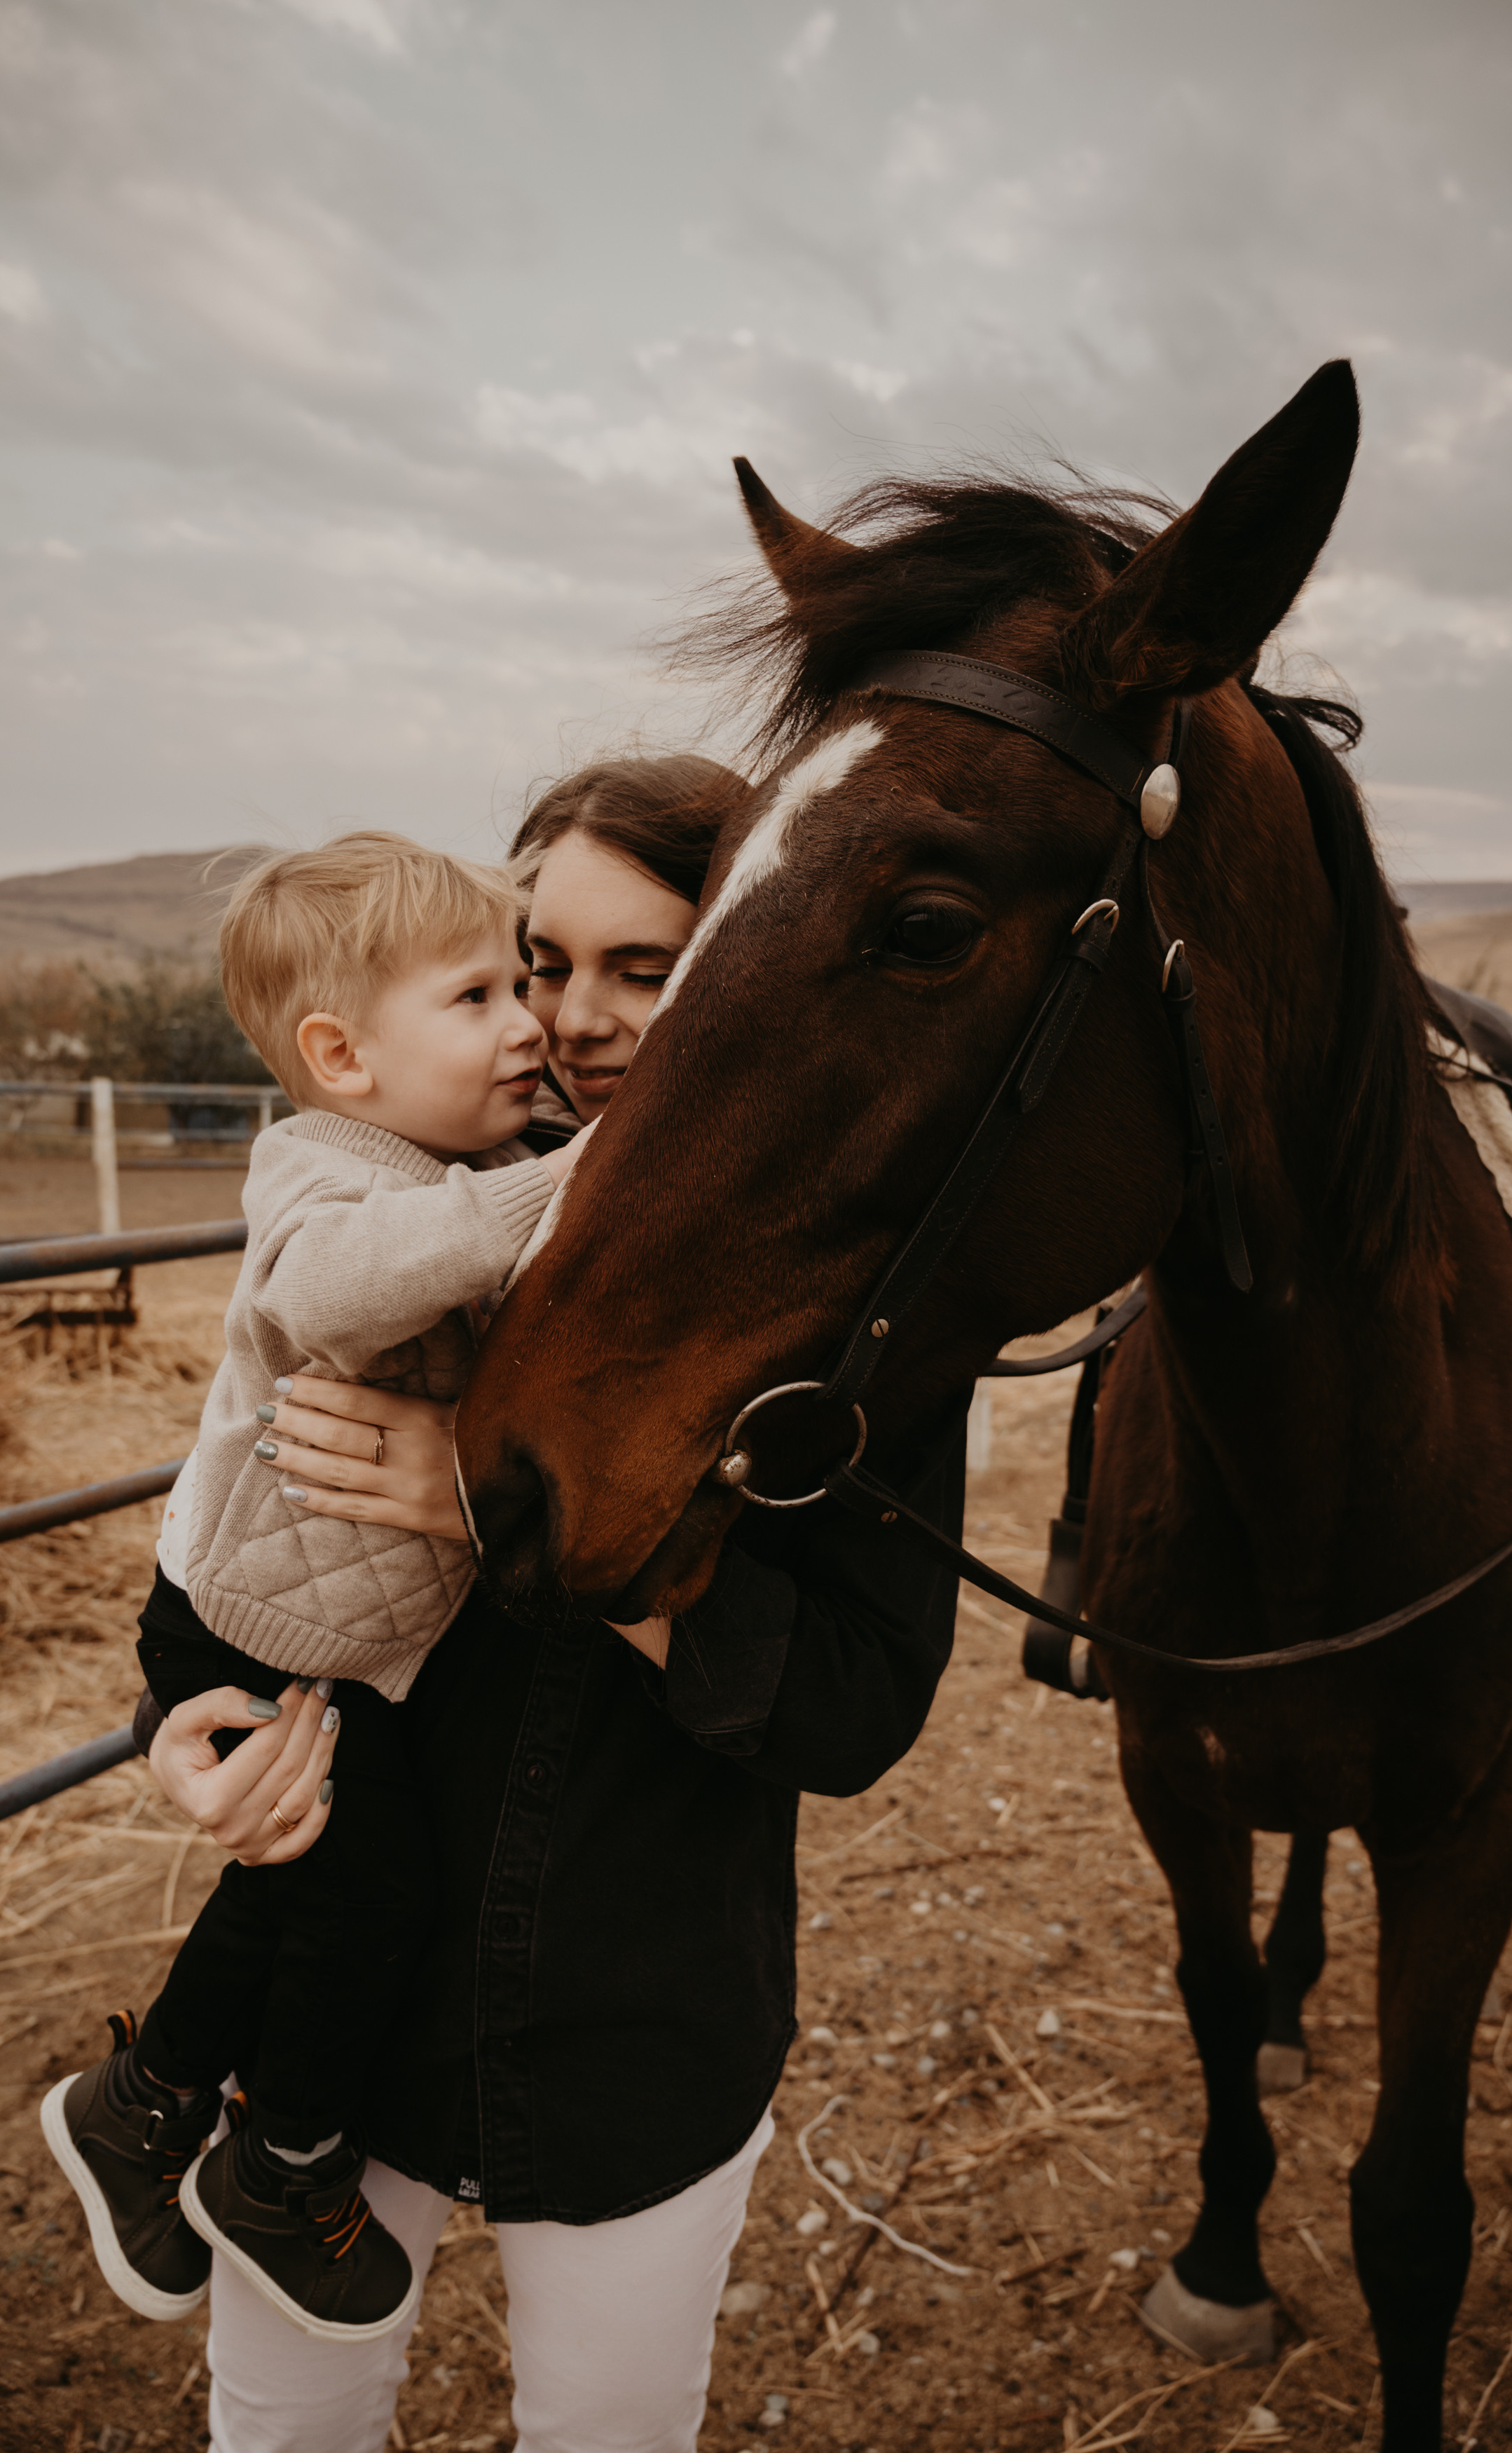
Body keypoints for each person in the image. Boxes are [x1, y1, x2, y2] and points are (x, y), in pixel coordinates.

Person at [130, 758, 973, 2453]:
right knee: (279, 2430)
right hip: (334, 2025)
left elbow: (851, 1706)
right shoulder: (396, 1201)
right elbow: (238, 1532)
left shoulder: (872, 1298)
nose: (567, 1019)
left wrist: (502, 1507)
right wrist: (181, 1742)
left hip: (634, 2027)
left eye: (640, 967)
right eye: (535, 961)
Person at [43, 833, 585, 2345]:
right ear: (338, 1056)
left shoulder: (470, 1169)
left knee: (306, 1889)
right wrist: (582, 1178)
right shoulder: (323, 1173)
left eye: (518, 979)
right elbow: (335, 1292)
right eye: (478, 994)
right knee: (374, 1893)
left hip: (345, 1627)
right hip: (253, 1620)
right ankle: (282, 2164)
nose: (529, 1019)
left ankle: (139, 2106)